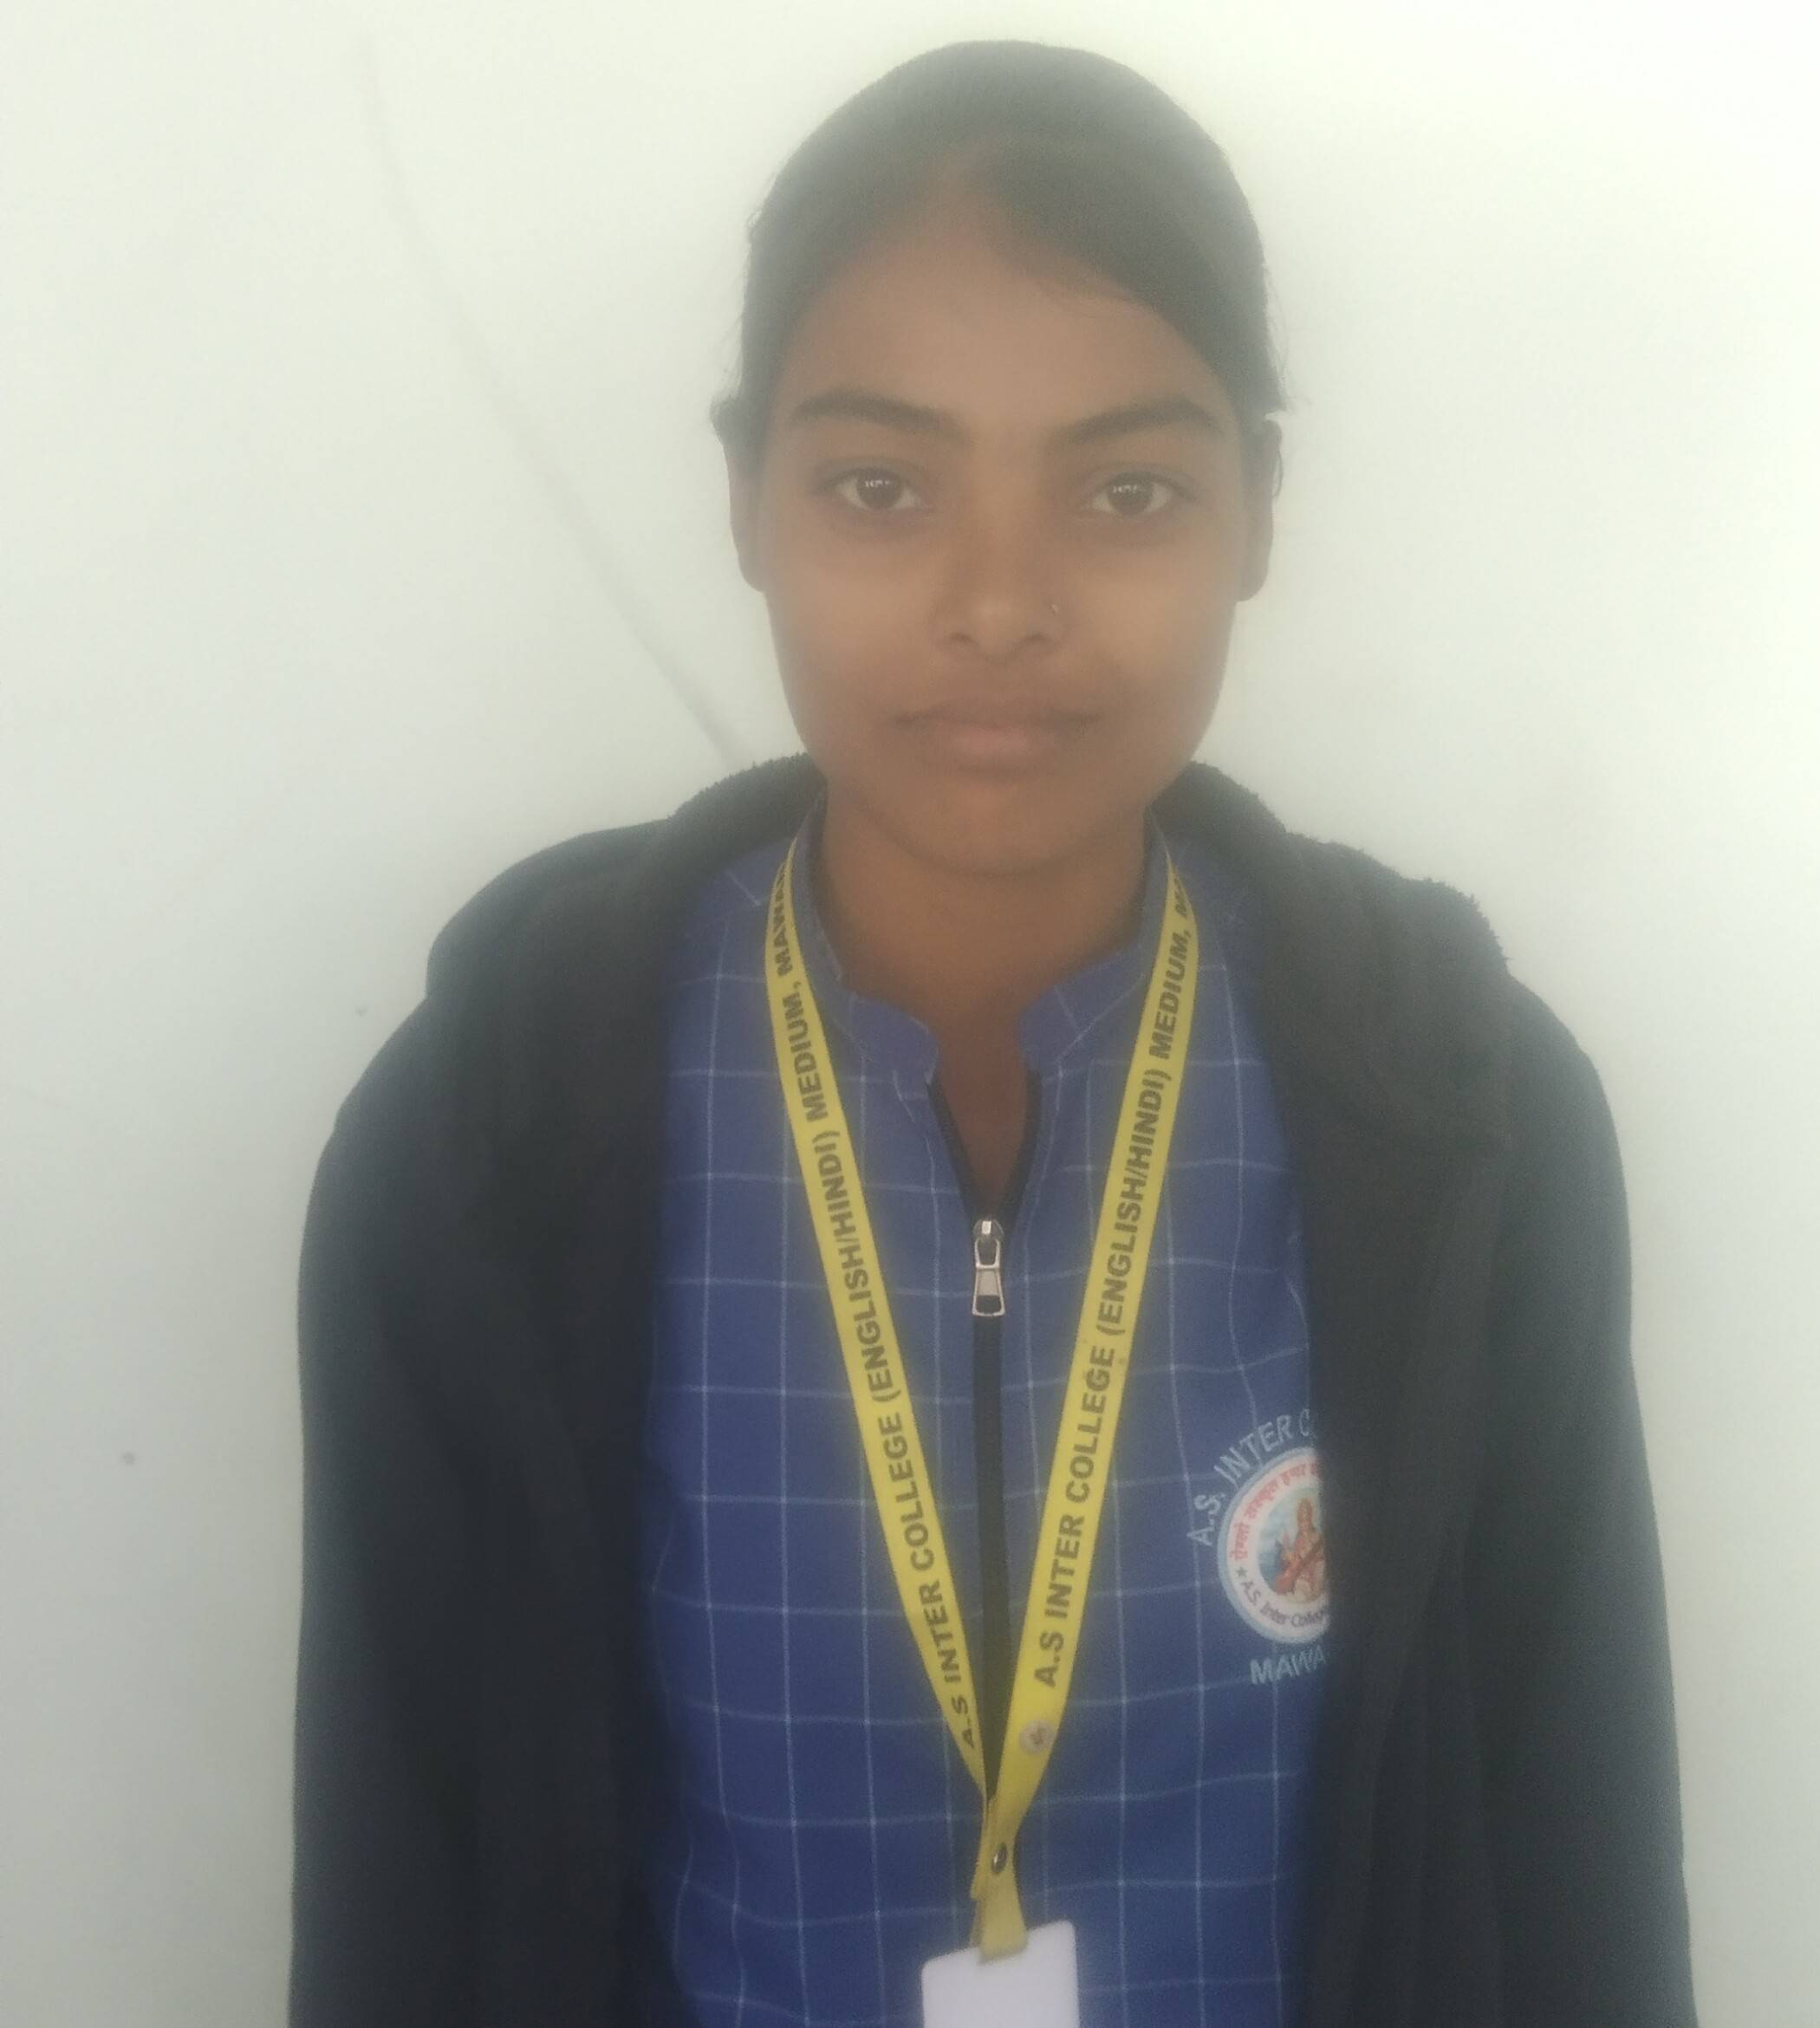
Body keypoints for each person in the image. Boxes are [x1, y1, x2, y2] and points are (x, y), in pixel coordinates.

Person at [289, 37, 1696, 2028]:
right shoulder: (496, 1134)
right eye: (881, 486)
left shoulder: (1461, 1120)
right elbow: (403, 1879)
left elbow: (1571, 1860)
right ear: (746, 500)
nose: (1002, 602)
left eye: (1127, 490)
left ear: (1257, 512)